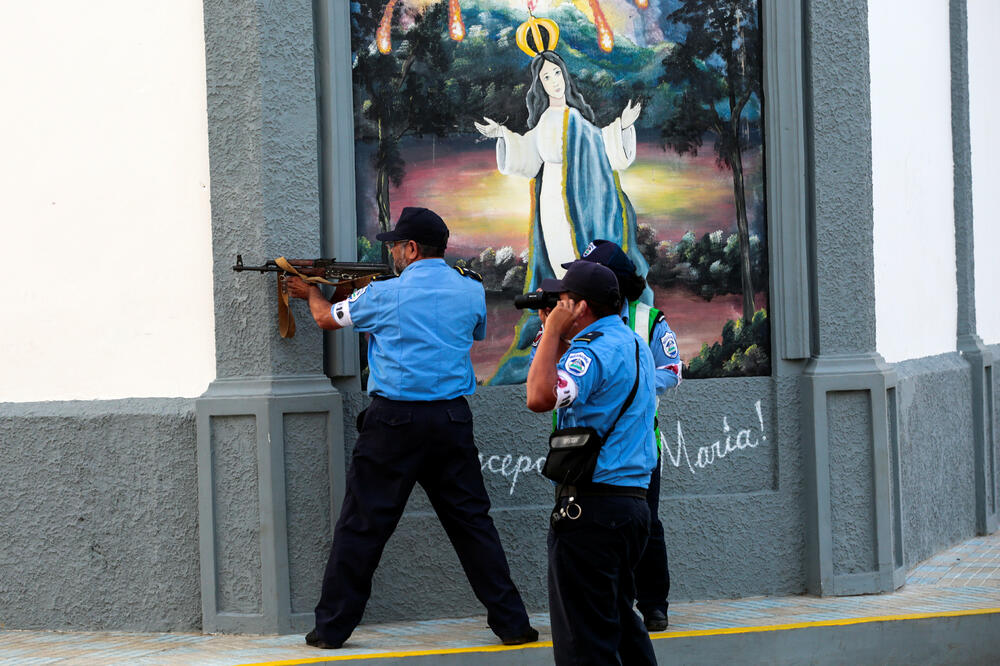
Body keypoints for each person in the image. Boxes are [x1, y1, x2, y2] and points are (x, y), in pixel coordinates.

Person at [285, 207, 538, 650]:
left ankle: (331, 629)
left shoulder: (384, 294)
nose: (393, 253)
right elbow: (476, 333)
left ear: (413, 248)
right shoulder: (470, 288)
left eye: (396, 246)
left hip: (393, 423)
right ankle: (513, 624)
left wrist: (310, 293)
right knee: (473, 525)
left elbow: (326, 319)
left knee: (363, 525)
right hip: (451, 419)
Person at [476, 46, 651, 385]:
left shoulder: (575, 118)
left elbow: (601, 145)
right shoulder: (545, 120)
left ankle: (584, 323)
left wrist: (621, 127)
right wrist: (501, 135)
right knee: (559, 262)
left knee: (578, 259)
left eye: (557, 73)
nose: (554, 81)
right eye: (546, 77)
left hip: (581, 202)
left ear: (565, 77)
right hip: (551, 202)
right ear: (539, 85)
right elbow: (528, 154)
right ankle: (564, 328)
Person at [526, 260, 658, 665]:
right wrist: (560, 335)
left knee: (584, 641)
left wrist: (551, 332)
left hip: (592, 511)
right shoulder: (633, 342)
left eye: (564, 300)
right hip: (631, 506)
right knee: (620, 625)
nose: (557, 306)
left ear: (581, 307)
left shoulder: (591, 352)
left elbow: (539, 396)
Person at [574, 240, 682, 632]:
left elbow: (672, 370)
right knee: (583, 528)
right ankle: (605, 606)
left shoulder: (648, 319)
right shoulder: (572, 316)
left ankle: (653, 605)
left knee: (645, 524)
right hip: (582, 450)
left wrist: (628, 384)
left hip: (638, 447)